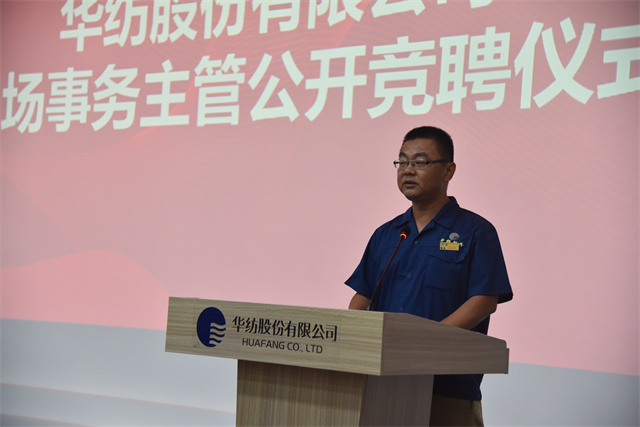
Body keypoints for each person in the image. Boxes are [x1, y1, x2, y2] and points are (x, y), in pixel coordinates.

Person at [346, 125, 513, 426]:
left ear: (448, 170)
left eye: (420, 162)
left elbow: (484, 301)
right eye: (402, 162)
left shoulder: (476, 231)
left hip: (448, 386)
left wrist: (423, 345)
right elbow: (362, 297)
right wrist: (352, 339)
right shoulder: (387, 234)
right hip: (384, 383)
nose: (408, 170)